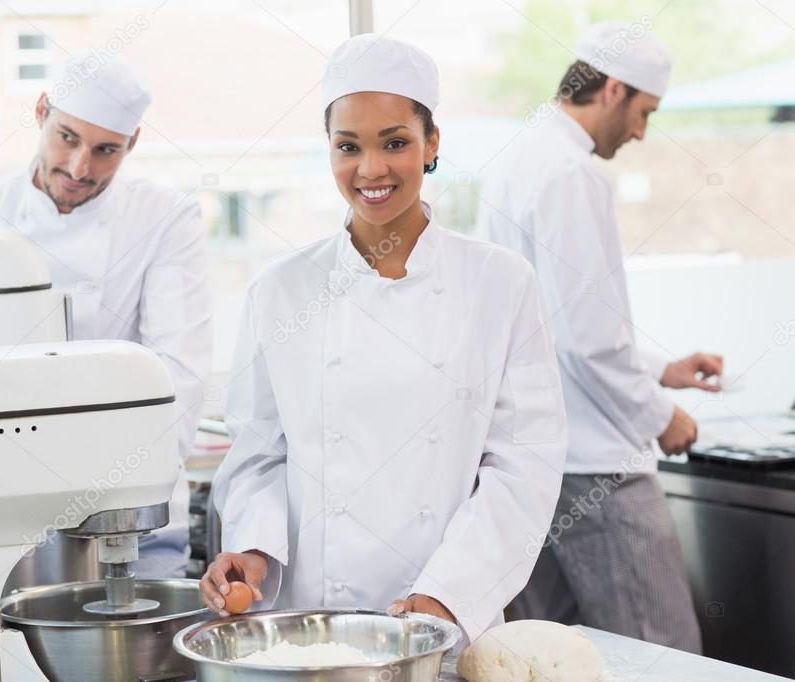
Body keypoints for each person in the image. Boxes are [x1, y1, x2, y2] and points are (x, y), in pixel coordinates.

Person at [200, 34, 567, 644]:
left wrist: (448, 594)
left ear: (432, 145)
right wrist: (252, 549)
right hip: (308, 628)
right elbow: (259, 453)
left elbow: (524, 464)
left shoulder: (499, 283)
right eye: (348, 147)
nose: (370, 169)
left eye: (394, 142)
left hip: (444, 619)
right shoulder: (281, 290)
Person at [0, 51, 212, 578]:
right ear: (41, 111)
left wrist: (137, 486)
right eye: (67, 138)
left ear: (133, 145)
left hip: (124, 513)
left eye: (105, 151)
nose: (80, 168)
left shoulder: (165, 218)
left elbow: (179, 370)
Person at [476, 22, 721, 653]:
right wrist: (658, 412)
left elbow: (548, 325)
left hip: (532, 462)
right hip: (599, 468)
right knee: (661, 652)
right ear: (613, 89)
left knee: (546, 653)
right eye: (645, 112)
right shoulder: (570, 173)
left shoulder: (517, 158)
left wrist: (660, 368)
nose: (641, 131)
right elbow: (586, 337)